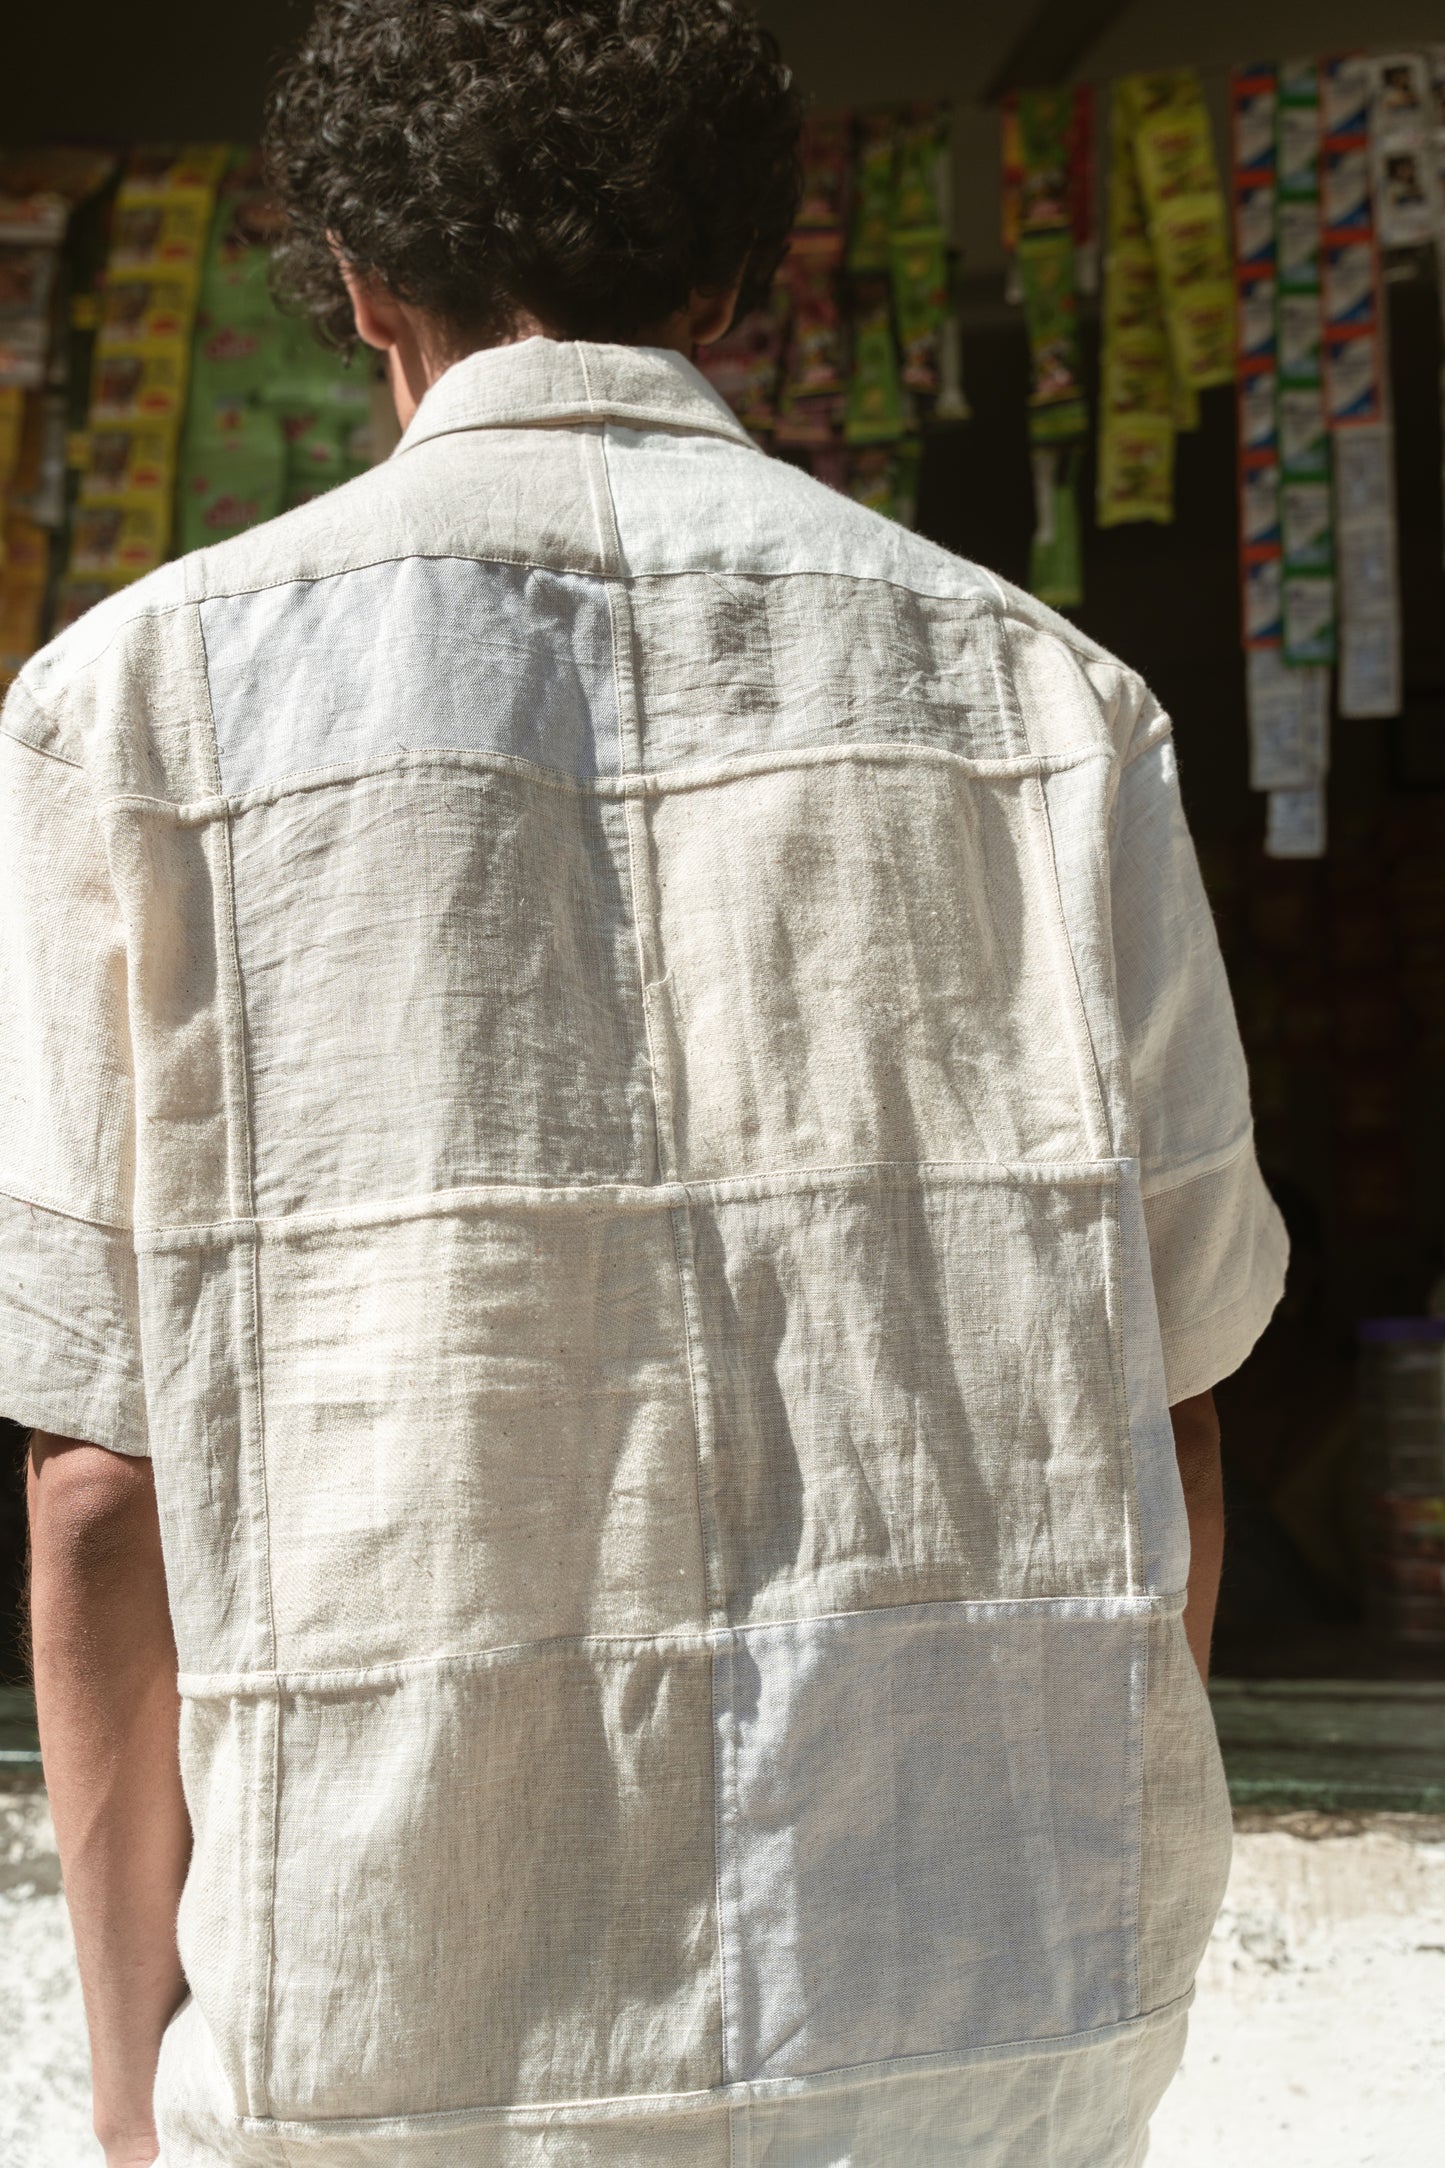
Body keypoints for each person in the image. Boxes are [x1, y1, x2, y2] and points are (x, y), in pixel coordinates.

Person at [6, 4, 1287, 2163]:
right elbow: (1171, 1398)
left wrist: (137, 2094)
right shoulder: (1051, 701)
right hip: (977, 2029)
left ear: (360, 290)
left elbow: (98, 1489)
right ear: (723, 288)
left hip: (390, 2036)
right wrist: (1070, 1957)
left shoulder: (134, 706)